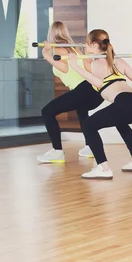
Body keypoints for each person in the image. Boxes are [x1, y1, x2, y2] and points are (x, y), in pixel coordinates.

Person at [67, 29, 132, 179]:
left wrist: (75, 66)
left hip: (125, 102)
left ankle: (103, 167)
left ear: (94, 45)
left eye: (87, 45)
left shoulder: (97, 63)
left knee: (88, 125)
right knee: (121, 122)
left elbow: (98, 82)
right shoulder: (118, 61)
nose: (85, 48)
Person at [37, 21, 104, 163]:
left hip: (84, 88)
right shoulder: (74, 49)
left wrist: (46, 55)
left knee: (47, 112)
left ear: (51, 34)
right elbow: (86, 67)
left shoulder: (58, 50)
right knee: (82, 112)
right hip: (93, 89)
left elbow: (64, 68)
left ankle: (57, 152)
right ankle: (90, 146)